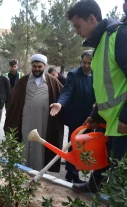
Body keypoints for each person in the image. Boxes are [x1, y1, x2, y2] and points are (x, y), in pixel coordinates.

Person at [65, 0, 127, 192]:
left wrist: (126, 116)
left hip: (122, 122)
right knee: (104, 158)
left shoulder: (119, 36)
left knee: (119, 175)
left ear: (91, 19)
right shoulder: (100, 45)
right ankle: (95, 185)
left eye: (77, 25)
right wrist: (96, 114)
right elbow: (107, 86)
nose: (76, 32)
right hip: (110, 120)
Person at [4, 54, 64, 172]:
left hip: (44, 121)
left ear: (45, 66)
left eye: (39, 67)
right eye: (35, 66)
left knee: (41, 144)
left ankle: (40, 170)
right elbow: (13, 101)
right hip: (26, 119)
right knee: (25, 142)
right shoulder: (23, 81)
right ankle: (23, 170)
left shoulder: (52, 82)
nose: (37, 69)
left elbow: (63, 97)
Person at [50, 50, 95, 183]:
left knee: (85, 145)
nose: (86, 66)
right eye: (84, 63)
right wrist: (59, 104)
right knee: (74, 144)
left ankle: (78, 170)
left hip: (91, 116)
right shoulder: (74, 74)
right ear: (80, 62)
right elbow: (67, 92)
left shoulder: (97, 74)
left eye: (89, 63)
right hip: (76, 116)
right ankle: (71, 173)